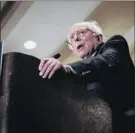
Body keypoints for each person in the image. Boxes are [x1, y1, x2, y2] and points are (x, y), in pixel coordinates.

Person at [38, 21, 135, 133]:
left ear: (99, 38)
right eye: (71, 38)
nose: (76, 39)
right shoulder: (76, 77)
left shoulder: (115, 43)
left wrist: (68, 69)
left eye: (81, 32)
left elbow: (107, 61)